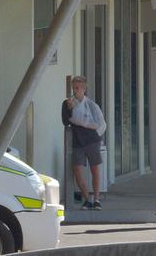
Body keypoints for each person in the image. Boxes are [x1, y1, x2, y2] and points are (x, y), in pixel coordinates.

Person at [62, 76, 106, 211]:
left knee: (95, 169)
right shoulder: (67, 103)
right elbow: (65, 121)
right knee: (77, 171)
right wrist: (69, 109)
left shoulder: (92, 105)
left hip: (92, 140)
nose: (75, 90)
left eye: (78, 88)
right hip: (77, 141)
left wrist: (82, 121)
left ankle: (97, 199)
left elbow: (99, 124)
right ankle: (87, 199)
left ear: (84, 89)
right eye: (73, 87)